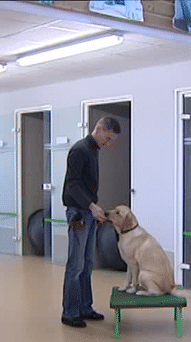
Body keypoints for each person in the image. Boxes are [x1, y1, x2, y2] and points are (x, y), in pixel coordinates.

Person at [61, 116, 121, 328]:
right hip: (79, 213)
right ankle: (70, 312)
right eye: (109, 137)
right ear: (100, 128)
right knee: (75, 265)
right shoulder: (80, 150)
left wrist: (94, 209)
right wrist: (91, 206)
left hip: (88, 213)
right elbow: (72, 185)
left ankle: (85, 307)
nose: (110, 143)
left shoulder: (93, 150)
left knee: (87, 263)